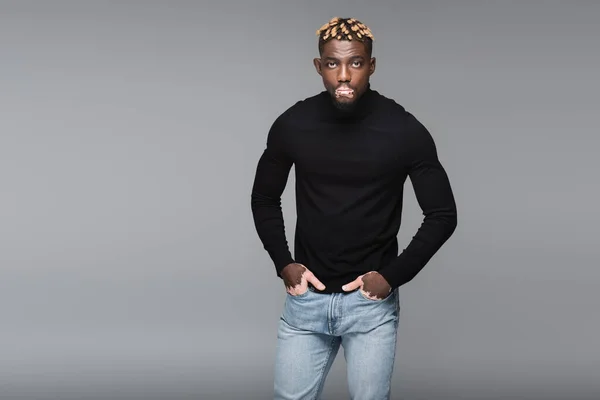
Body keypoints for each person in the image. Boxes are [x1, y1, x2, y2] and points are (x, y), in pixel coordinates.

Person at [250, 16, 457, 400]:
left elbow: (443, 214)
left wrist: (392, 276)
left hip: (369, 309)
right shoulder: (293, 124)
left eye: (356, 63)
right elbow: (264, 197)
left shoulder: (404, 130)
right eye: (332, 63)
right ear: (319, 66)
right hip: (306, 305)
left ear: (372, 66)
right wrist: (284, 262)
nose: (344, 75)